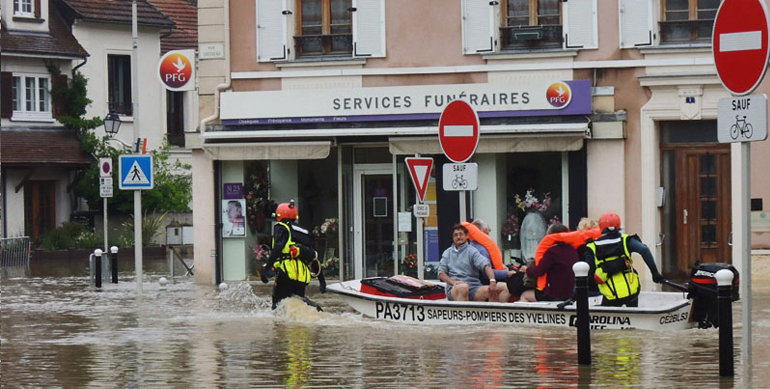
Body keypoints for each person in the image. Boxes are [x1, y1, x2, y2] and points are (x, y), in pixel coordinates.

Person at [583, 212, 664, 307]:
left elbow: (585, 272)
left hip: (611, 294)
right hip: (631, 292)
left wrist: (574, 296)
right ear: (619, 226)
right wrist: (654, 272)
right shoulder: (626, 240)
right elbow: (644, 249)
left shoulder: (592, 246)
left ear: (600, 227)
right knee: (633, 314)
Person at [266, 200, 326, 310]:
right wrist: (322, 281)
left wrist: (267, 268)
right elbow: (313, 257)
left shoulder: (281, 227)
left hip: (286, 272)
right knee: (298, 301)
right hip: (302, 276)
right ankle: (317, 311)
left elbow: (278, 248)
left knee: (278, 304)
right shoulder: (305, 232)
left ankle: (279, 326)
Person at [438, 224, 499, 302]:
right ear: (453, 238)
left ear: (467, 236)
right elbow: (441, 273)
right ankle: (462, 314)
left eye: (461, 234)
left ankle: (491, 313)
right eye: (456, 235)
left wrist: (492, 281)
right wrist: (453, 282)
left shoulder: (472, 251)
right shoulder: (447, 253)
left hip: (474, 288)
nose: (458, 237)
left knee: (492, 291)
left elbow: (486, 265)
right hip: (455, 288)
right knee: (463, 287)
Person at [518, 223, 578, 302]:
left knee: (525, 295)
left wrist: (527, 269)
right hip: (571, 293)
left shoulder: (552, 252)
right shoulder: (572, 250)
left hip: (554, 293)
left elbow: (539, 271)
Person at [465, 219, 517, 302]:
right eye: (486, 232)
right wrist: (507, 273)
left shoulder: (477, 246)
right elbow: (485, 273)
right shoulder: (479, 249)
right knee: (508, 288)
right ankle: (498, 311)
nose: (488, 235)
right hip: (482, 283)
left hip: (483, 281)